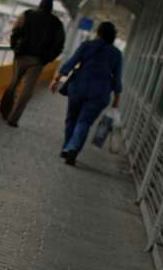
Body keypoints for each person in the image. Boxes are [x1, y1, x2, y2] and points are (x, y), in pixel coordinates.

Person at [51, 21, 123, 165]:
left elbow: (71, 62)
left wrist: (57, 78)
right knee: (84, 122)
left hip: (78, 87)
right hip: (100, 92)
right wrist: (116, 98)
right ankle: (73, 148)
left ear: (98, 33)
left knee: (71, 119)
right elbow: (117, 78)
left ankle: (66, 147)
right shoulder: (116, 54)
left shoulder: (87, 46)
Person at [0, 0, 65, 127]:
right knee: (26, 91)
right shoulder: (57, 23)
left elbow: (15, 31)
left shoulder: (27, 15)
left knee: (13, 84)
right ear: (51, 7)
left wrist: (15, 48)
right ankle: (13, 119)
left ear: (40, 4)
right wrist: (47, 59)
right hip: (38, 61)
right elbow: (60, 45)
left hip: (21, 56)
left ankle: (5, 110)